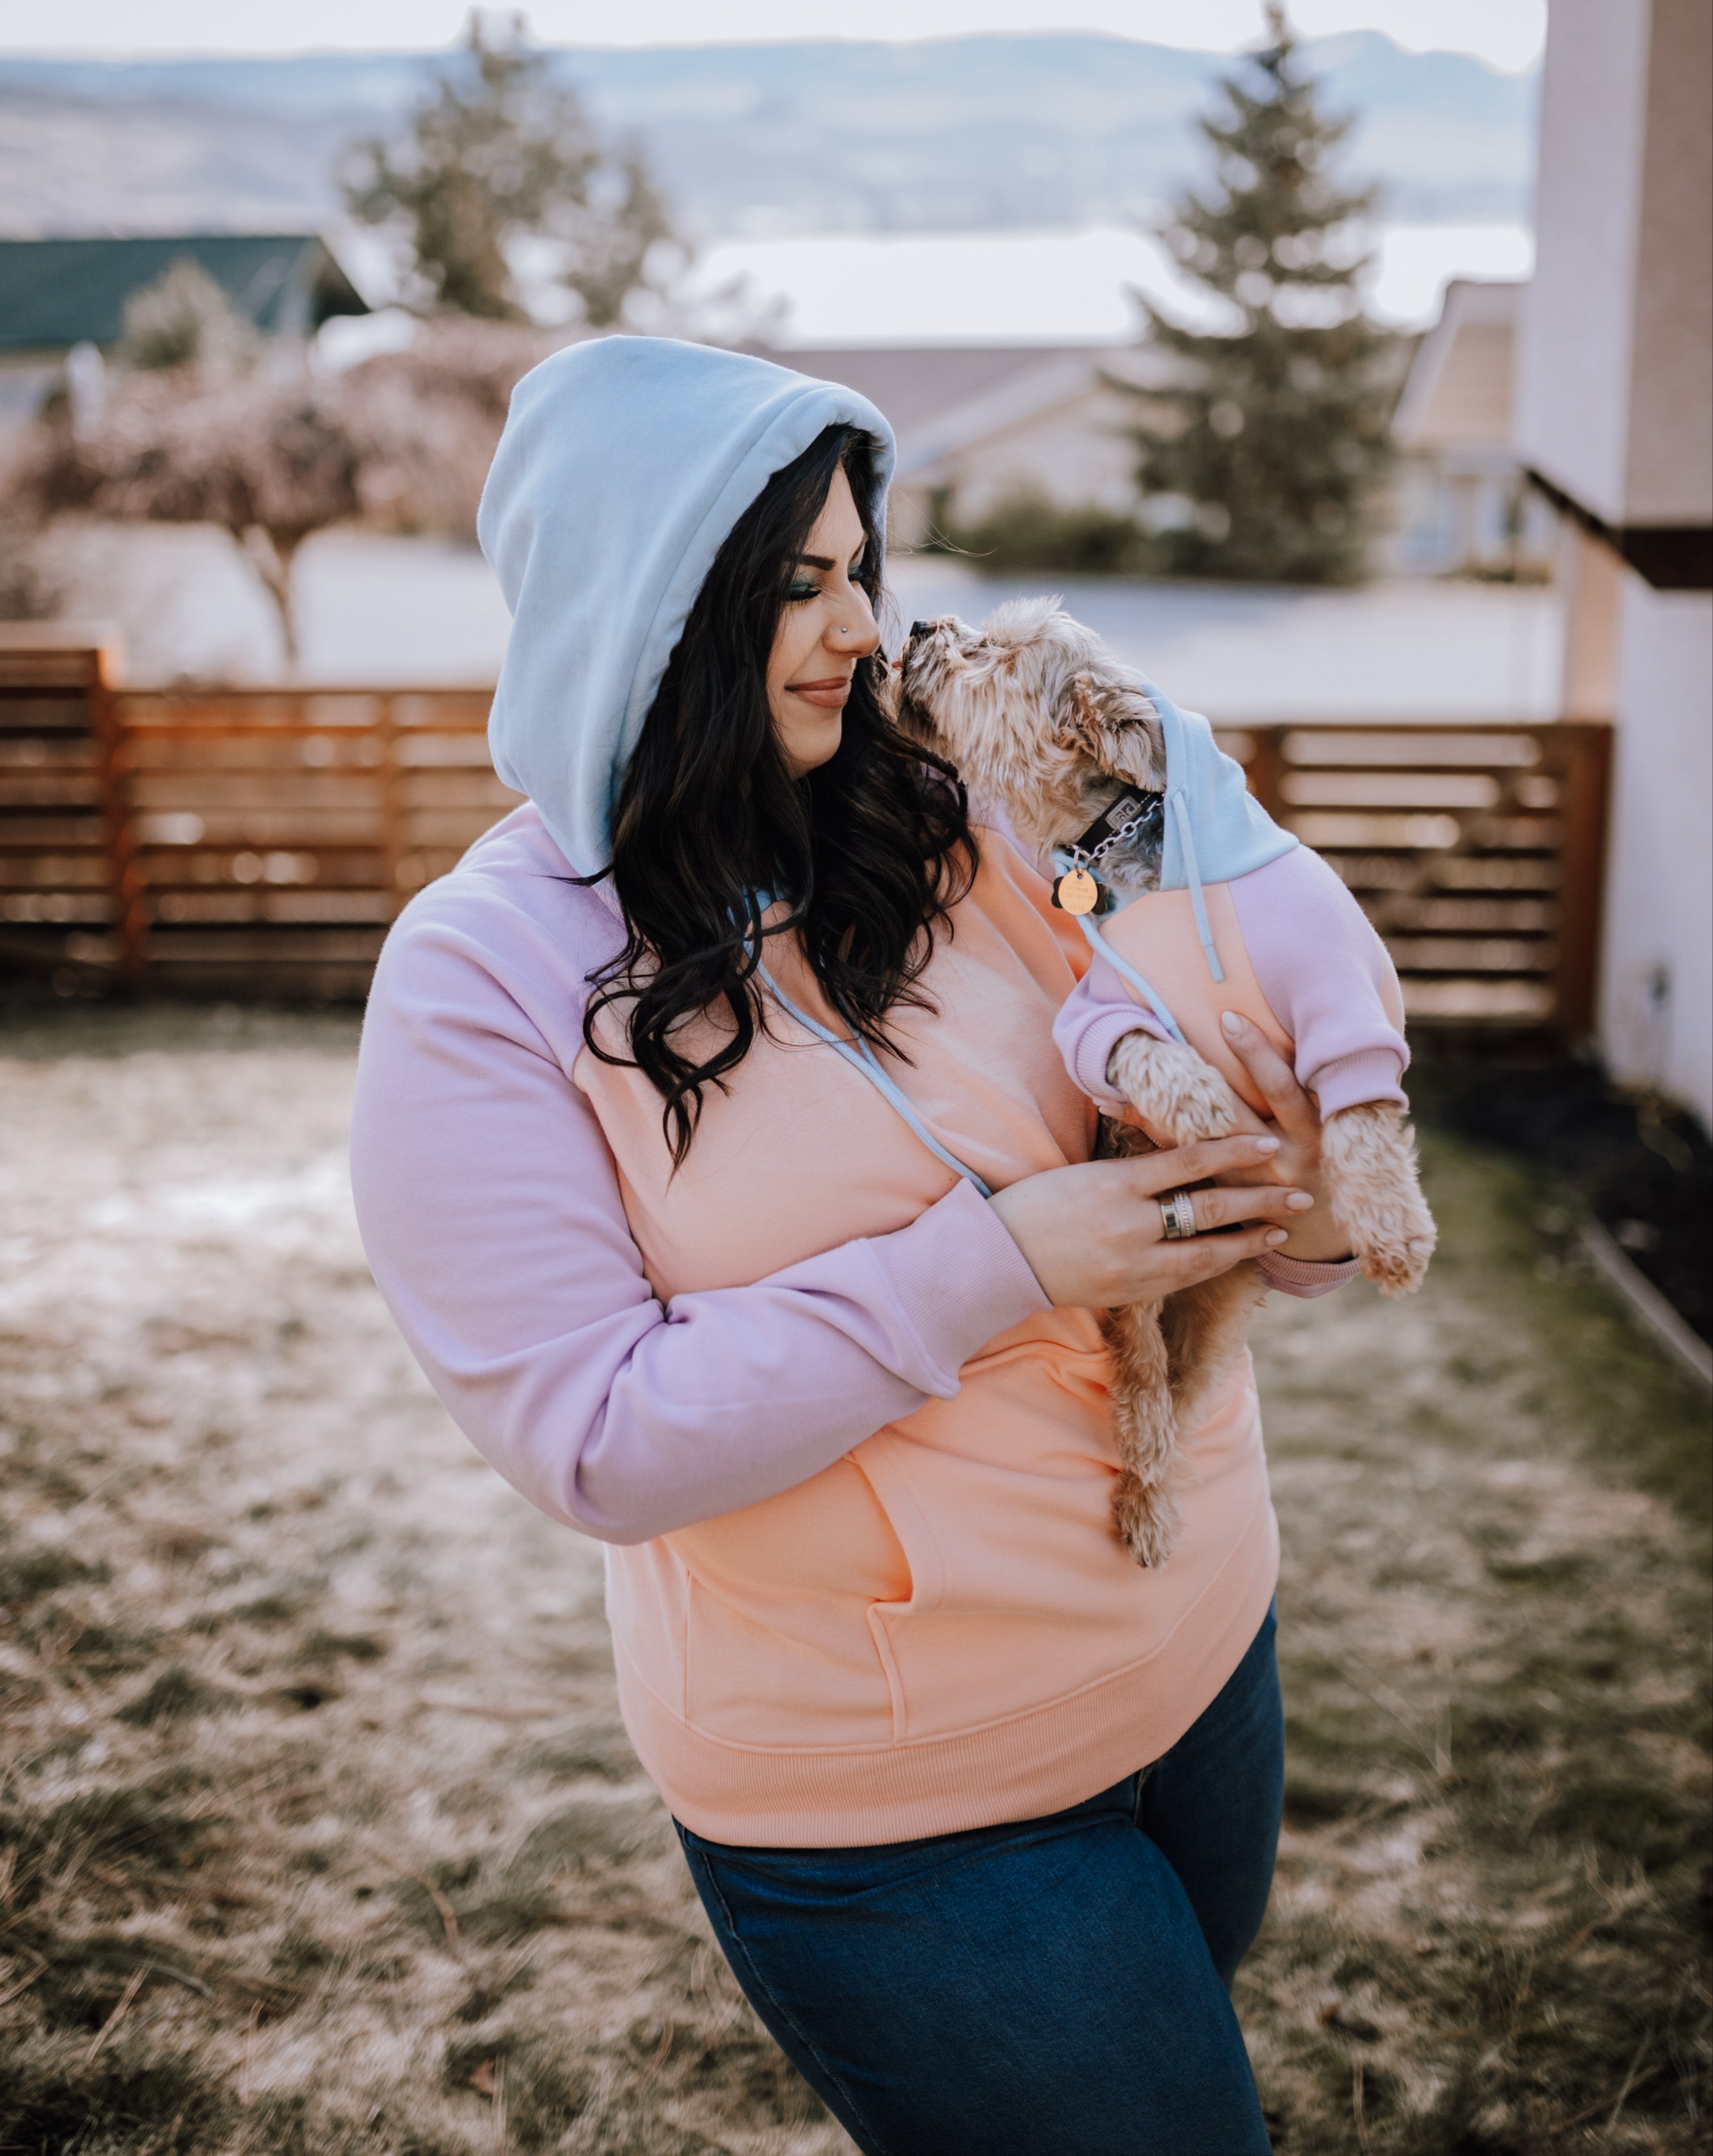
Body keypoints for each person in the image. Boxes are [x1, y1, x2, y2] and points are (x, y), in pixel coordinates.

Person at [350, 336, 1357, 2156]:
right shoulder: (478, 975)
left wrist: (1282, 1199)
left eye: (859, 569)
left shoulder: (940, 815)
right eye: (793, 588)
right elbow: (594, 1438)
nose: (856, 629)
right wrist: (1001, 1263)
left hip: (1204, 1643)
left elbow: (1166, 1074)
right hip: (905, 1797)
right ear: (652, 605)